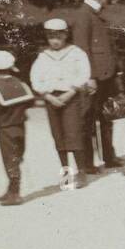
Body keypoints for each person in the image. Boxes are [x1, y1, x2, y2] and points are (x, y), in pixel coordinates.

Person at [65, 0, 123, 173]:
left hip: (105, 75)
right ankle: (87, 164)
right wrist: (89, 77)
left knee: (106, 116)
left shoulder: (97, 13)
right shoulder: (84, 15)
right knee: (88, 119)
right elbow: (82, 49)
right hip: (93, 77)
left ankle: (109, 156)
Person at [30, 18, 93, 190]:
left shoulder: (76, 53)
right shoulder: (43, 56)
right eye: (51, 37)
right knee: (58, 136)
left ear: (65, 35)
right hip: (51, 98)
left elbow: (84, 74)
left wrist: (70, 92)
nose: (54, 41)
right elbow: (36, 78)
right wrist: (48, 96)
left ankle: (82, 172)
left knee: (73, 133)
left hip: (71, 96)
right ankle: (65, 172)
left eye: (58, 36)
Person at [0, 49, 34, 206]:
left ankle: (15, 194)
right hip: (21, 127)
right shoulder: (20, 84)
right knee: (16, 158)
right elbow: (29, 102)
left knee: (10, 161)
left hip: (6, 130)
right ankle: (11, 190)